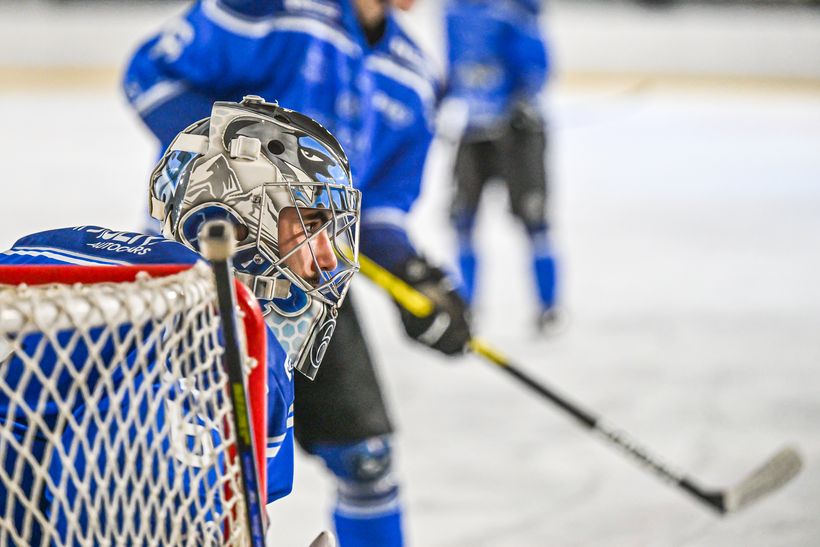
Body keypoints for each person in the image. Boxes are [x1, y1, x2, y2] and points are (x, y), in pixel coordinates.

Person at [123, 1, 472, 546]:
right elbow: (149, 76)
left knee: (366, 458)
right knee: (204, 463)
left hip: (307, 285)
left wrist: (414, 273)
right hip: (206, 272)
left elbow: (377, 207)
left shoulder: (414, 75)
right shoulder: (272, 10)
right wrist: (239, 155)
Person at [0, 96, 360, 544]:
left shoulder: (40, 249)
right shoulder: (238, 340)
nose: (327, 256)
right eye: (310, 225)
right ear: (233, 223)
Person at [443, 0, 560, 330]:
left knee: (534, 221)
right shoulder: (453, 11)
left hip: (518, 136)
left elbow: (537, 64)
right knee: (461, 219)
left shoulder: (514, 9)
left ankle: (548, 306)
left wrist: (524, 100)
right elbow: (455, 64)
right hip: (474, 133)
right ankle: (465, 303)